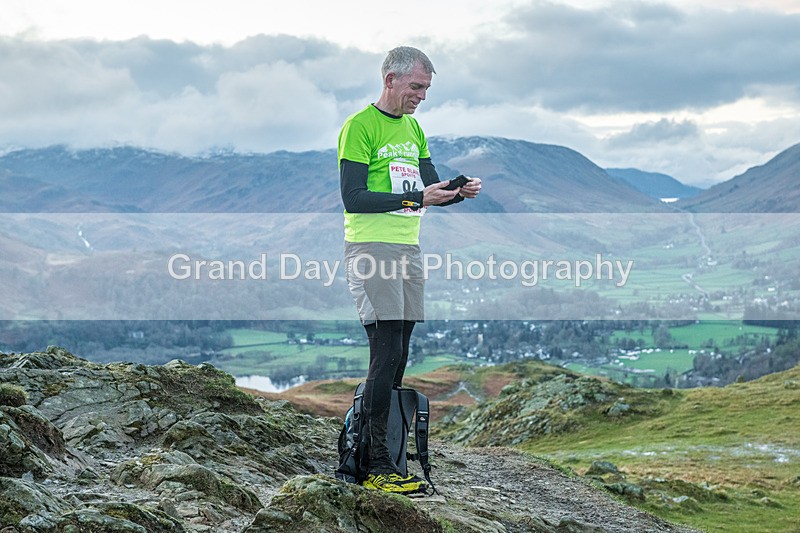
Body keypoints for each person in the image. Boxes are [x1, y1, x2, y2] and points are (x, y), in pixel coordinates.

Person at [337, 46, 482, 493]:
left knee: (399, 354)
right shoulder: (360, 127)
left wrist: (458, 191)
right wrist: (418, 198)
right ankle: (376, 466)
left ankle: (389, 456)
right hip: (371, 247)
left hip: (408, 249)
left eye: (426, 89)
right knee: (384, 354)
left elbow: (428, 185)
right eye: (416, 86)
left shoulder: (415, 128)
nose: (422, 96)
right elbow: (354, 197)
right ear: (391, 80)